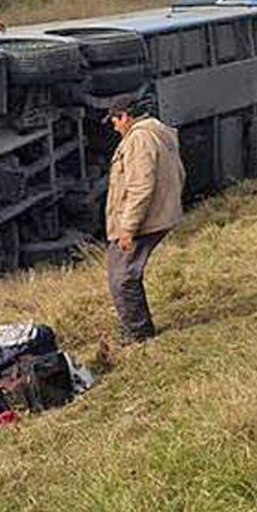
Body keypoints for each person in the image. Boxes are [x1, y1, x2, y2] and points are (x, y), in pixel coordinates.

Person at [103, 96, 185, 344]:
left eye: (115, 120)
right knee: (125, 274)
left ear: (125, 116)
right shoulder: (159, 131)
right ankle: (137, 327)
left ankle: (137, 333)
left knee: (121, 276)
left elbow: (140, 187)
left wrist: (128, 229)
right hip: (159, 214)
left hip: (144, 220)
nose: (114, 127)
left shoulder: (139, 139)